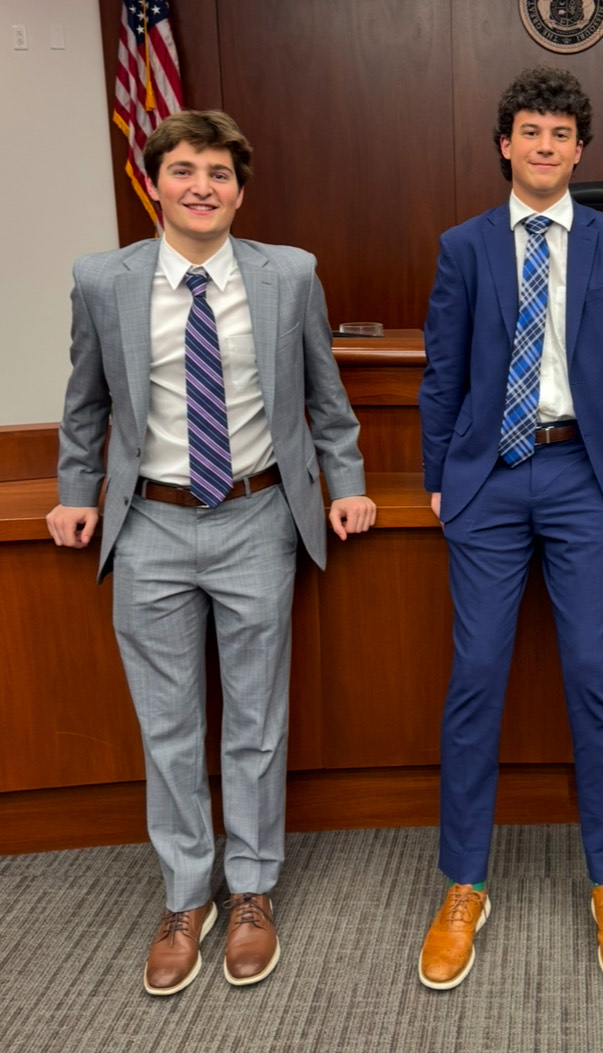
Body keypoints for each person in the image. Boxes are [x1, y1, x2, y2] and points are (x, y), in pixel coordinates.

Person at [46, 110, 376, 996]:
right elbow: (83, 405)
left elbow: (326, 396)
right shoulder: (101, 279)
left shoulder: (289, 274)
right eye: (185, 170)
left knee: (257, 723)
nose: (202, 187)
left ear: (240, 190)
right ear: (155, 181)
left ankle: (252, 889)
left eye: (220, 174)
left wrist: (345, 482)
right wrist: (77, 495)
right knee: (169, 727)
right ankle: (185, 896)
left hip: (255, 517)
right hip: (148, 523)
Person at [417, 67, 603, 991]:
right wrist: (442, 479)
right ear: (504, 144)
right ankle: (464, 883)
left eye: (561, 134)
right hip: (488, 481)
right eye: (530, 131)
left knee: (595, 672)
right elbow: (442, 372)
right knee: (476, 673)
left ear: (579, 150)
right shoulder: (464, 245)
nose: (546, 146)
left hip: (583, 475)